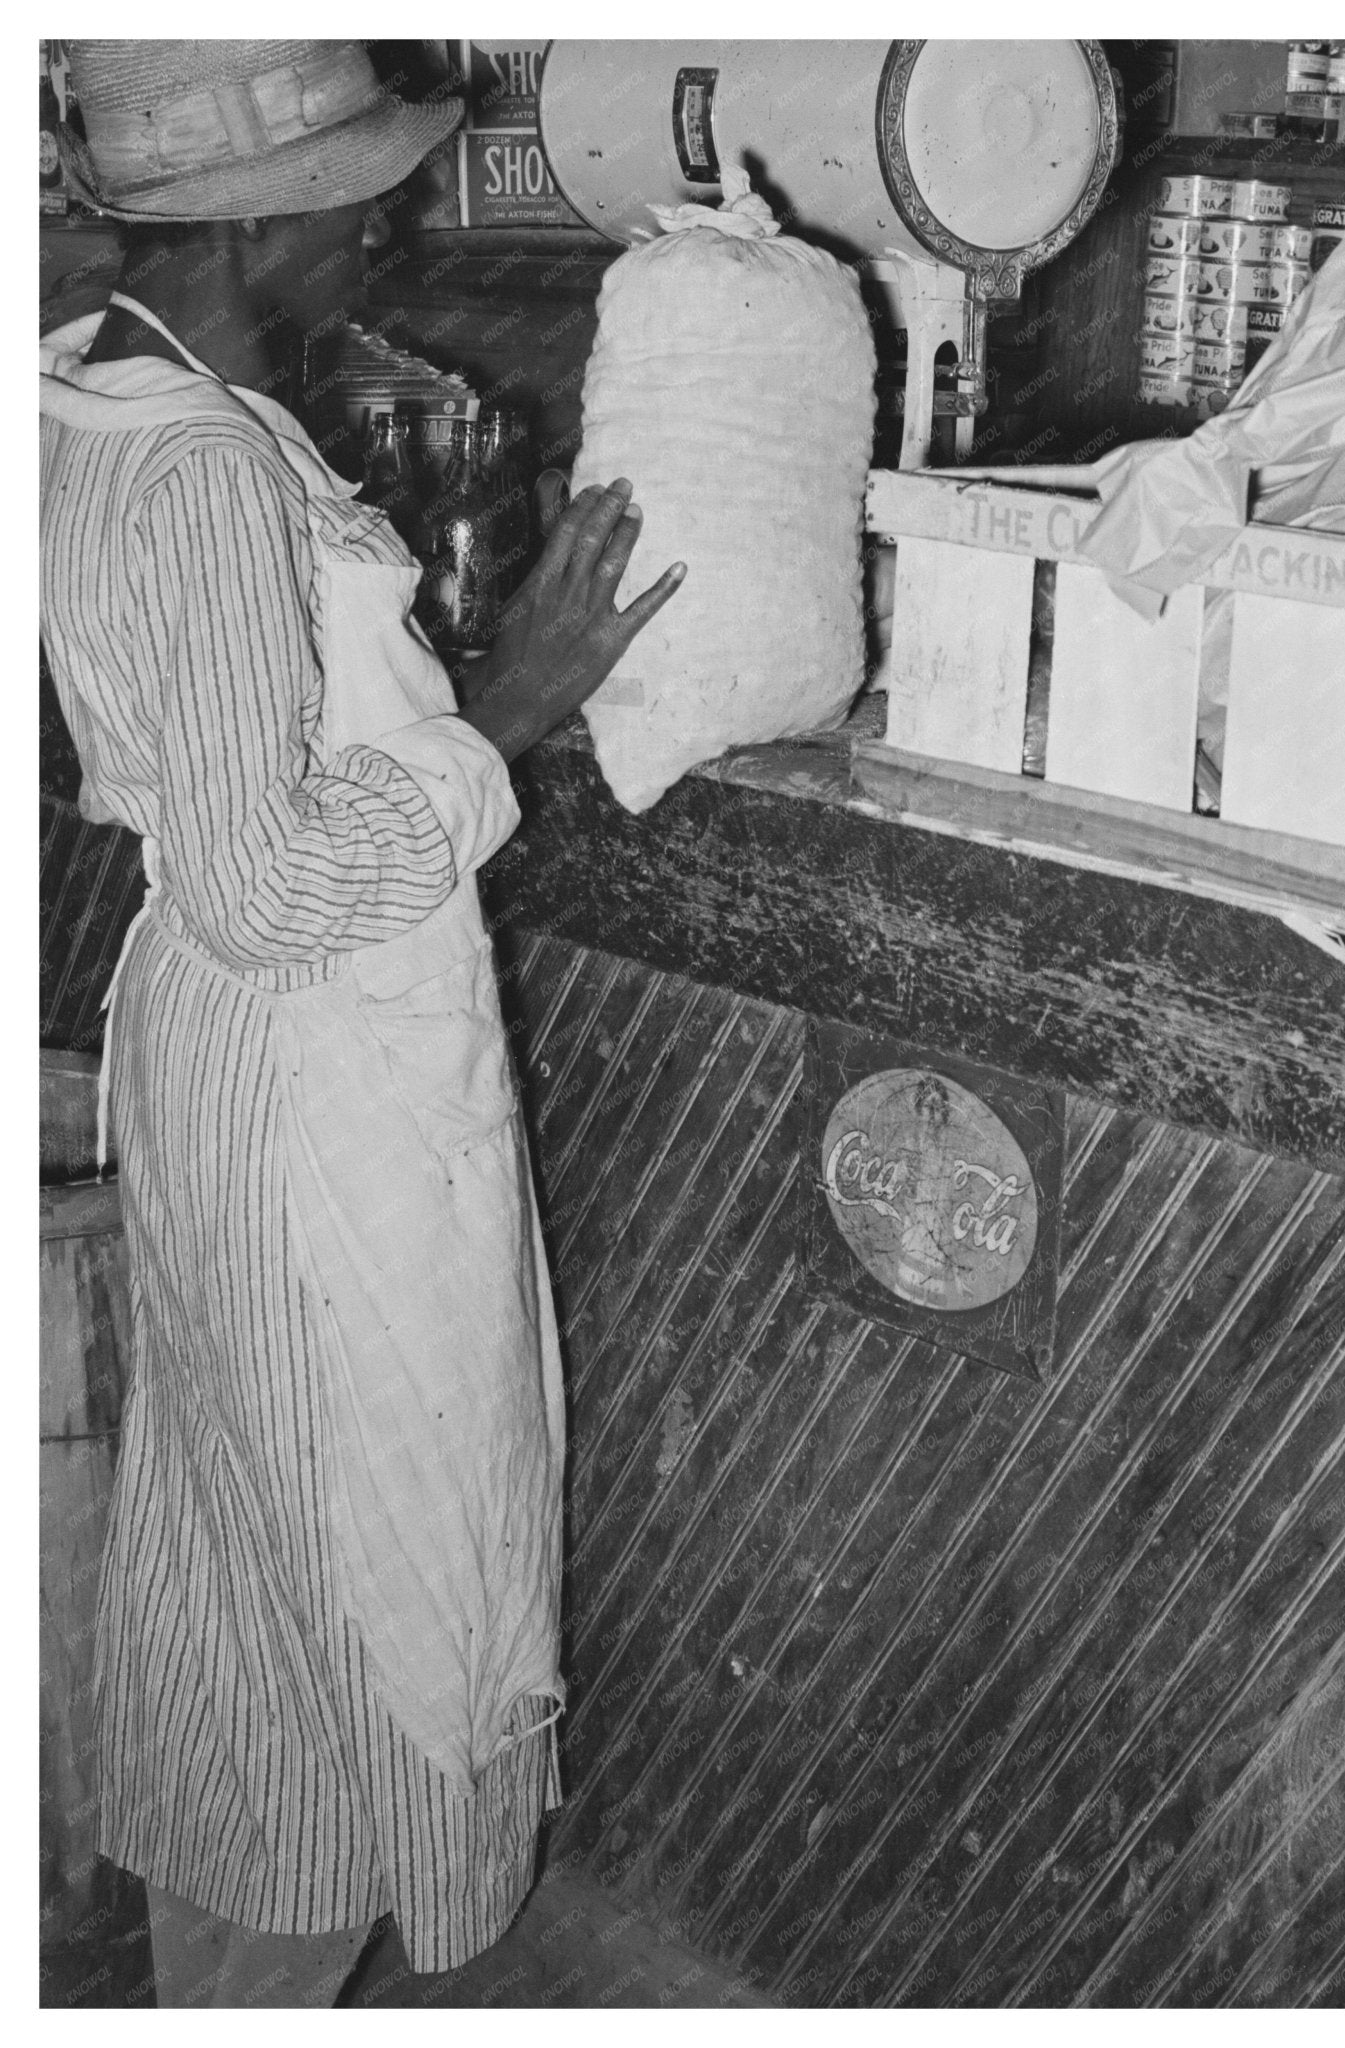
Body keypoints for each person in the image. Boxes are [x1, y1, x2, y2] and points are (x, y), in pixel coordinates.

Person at [39, 41, 684, 2006]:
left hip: (263, 1068)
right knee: (352, 1574)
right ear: (262, 214)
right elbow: (267, 876)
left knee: (270, 1571)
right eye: (365, 188)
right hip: (304, 1072)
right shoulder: (204, 468)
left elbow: (244, 794)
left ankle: (230, 1969)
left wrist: (466, 693)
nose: (389, 216)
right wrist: (511, 700)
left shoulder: (100, 387)